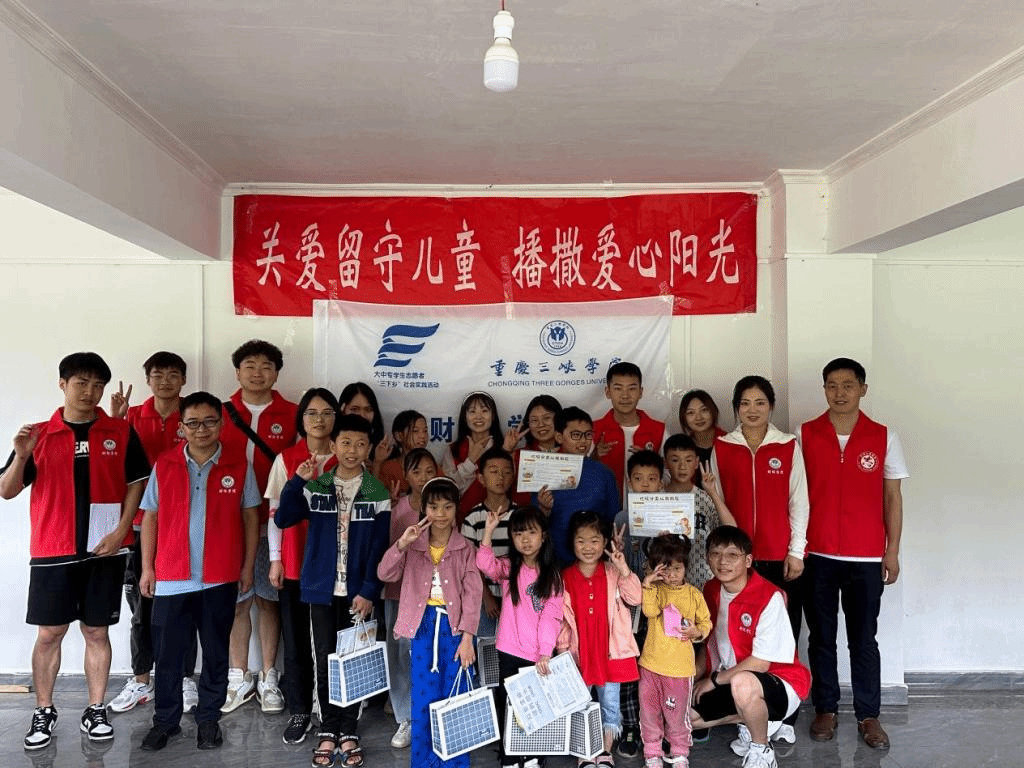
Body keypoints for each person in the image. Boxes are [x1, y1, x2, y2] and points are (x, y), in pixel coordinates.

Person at [1, 352, 150, 750]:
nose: (90, 391)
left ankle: (96, 708)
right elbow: (6, 490)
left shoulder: (120, 431)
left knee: (97, 631)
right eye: (81, 383)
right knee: (49, 633)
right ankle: (43, 710)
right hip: (53, 551)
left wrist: (122, 530)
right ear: (62, 384)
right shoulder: (39, 434)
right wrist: (21, 454)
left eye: (97, 385)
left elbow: (137, 481)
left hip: (105, 551)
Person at [137, 391, 260, 751]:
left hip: (220, 576)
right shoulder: (165, 464)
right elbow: (150, 517)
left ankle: (209, 720)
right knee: (168, 656)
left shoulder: (238, 465)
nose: (201, 429)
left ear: (220, 424)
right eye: (193, 422)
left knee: (216, 653)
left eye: (209, 421)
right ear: (181, 427)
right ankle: (165, 722)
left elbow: (250, 517)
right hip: (171, 576)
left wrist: (247, 566)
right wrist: (147, 568)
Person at [799, 358, 909, 749]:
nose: (840, 393)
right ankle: (825, 709)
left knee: (864, 640)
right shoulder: (805, 434)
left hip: (865, 557)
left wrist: (891, 551)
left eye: (848, 385)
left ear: (863, 389)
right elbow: (794, 495)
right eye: (832, 385)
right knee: (821, 638)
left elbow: (892, 497)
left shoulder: (884, 436)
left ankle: (869, 715)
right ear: (824, 390)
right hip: (818, 554)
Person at [276, 413, 392, 768]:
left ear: (369, 448)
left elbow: (379, 547)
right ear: (333, 445)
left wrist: (369, 590)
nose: (352, 450)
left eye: (360, 444)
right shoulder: (317, 486)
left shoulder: (377, 491)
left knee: (353, 663)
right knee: (326, 660)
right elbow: (283, 518)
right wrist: (298, 480)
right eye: (345, 443)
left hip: (359, 594)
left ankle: (349, 730)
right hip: (322, 592)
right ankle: (328, 728)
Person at [107, 351, 199, 715]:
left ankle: (184, 678)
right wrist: (116, 421)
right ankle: (141, 679)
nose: (165, 381)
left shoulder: (193, 417)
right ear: (148, 380)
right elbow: (111, 462)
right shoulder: (131, 416)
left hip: (182, 525)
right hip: (137, 523)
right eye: (158, 375)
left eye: (173, 374)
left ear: (183, 380)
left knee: (185, 606)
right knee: (141, 608)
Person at [377, 477, 482, 768]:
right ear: (423, 508)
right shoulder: (413, 544)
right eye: (434, 507)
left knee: (455, 697)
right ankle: (424, 763)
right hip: (422, 628)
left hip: (455, 629)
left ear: (456, 508)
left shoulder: (465, 548)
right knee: (423, 697)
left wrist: (467, 639)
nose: (441, 513)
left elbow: (473, 596)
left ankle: (455, 764)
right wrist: (401, 544)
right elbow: (385, 574)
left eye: (448, 506)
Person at [219, 339, 298, 715]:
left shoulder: (293, 414)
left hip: (272, 523)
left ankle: (269, 677)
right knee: (237, 602)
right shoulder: (219, 413)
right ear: (237, 372)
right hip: (228, 522)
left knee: (269, 601)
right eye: (249, 365)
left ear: (276, 374)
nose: (257, 372)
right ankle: (238, 677)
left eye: (267, 366)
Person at [690, 526, 811, 768]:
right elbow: (708, 642)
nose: (723, 562)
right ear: (707, 557)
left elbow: (760, 663)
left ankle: (761, 749)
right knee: (688, 717)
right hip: (732, 679)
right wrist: (690, 678)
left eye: (732, 555)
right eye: (715, 554)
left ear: (747, 561)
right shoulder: (710, 590)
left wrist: (713, 681)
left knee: (743, 683)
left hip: (779, 682)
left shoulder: (769, 597)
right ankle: (755, 718)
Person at [265, 388, 340, 745]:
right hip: (295, 562)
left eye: (327, 413)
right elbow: (274, 514)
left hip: (334, 567)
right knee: (295, 642)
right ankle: (299, 709)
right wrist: (275, 559)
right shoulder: (287, 458)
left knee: (330, 644)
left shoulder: (347, 456)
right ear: (301, 419)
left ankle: (330, 712)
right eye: (312, 413)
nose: (319, 420)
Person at [710, 376, 808, 641]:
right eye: (745, 403)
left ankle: (782, 671)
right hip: (737, 557)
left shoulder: (788, 445)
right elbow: (718, 501)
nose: (752, 410)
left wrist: (796, 551)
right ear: (736, 407)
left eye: (760, 403)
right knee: (741, 629)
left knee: (784, 628)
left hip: (780, 556)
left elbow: (799, 502)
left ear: (771, 406)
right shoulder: (723, 446)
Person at [476, 505, 564, 768]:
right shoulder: (509, 567)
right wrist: (488, 532)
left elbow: (552, 617)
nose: (525, 539)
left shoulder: (552, 575)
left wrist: (546, 652)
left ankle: (533, 755)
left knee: (536, 706)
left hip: (538, 655)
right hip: (509, 649)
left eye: (531, 532)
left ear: (544, 536)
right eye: (518, 533)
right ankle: (510, 757)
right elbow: (485, 565)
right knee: (510, 704)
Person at [557, 510, 642, 764]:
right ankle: (584, 751)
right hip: (580, 653)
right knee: (579, 703)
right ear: (572, 543)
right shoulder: (565, 576)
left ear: (605, 542)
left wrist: (623, 566)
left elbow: (635, 597)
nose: (588, 547)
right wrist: (563, 651)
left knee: (610, 704)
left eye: (594, 540)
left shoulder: (613, 571)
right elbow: (562, 621)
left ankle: (605, 751)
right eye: (581, 540)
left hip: (610, 652)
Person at [381, 447, 438, 750]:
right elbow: (386, 555)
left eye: (429, 471)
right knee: (400, 656)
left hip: (433, 597)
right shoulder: (396, 509)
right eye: (417, 471)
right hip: (398, 594)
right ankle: (406, 717)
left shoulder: (442, 509)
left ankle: (429, 718)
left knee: (429, 656)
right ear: (406, 475)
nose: (424, 477)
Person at [638, 535, 712, 768]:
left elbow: (706, 623)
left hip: (679, 669)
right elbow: (649, 611)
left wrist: (696, 632)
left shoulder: (694, 594)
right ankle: (652, 752)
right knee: (649, 712)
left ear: (685, 567)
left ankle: (679, 752)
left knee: (676, 714)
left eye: (677, 569)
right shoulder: (656, 590)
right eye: (666, 569)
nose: (671, 575)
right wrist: (648, 583)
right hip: (651, 665)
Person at [614, 449, 665, 759]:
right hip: (631, 610)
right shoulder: (622, 518)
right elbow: (619, 565)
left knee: (660, 668)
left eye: (652, 479)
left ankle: (661, 727)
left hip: (663, 607)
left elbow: (679, 562)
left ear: (661, 482)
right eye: (638, 478)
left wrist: (666, 542)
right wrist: (619, 550)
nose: (645, 484)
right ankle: (631, 726)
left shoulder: (672, 514)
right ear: (629, 482)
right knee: (631, 667)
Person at [534, 407, 619, 566]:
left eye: (588, 435)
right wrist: (544, 510)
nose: (583, 441)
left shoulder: (604, 473)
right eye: (575, 435)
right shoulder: (544, 470)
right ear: (559, 436)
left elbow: (613, 519)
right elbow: (533, 523)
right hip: (554, 559)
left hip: (593, 560)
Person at [662, 434, 735, 589]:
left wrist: (712, 492)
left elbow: (731, 530)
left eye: (688, 460)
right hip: (666, 583)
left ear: (696, 462)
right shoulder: (657, 498)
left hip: (702, 581)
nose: (682, 466)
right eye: (675, 460)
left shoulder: (705, 498)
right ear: (666, 463)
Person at [460, 447, 517, 638]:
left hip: (517, 598)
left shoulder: (520, 516)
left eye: (507, 472)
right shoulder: (473, 518)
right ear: (481, 478)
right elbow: (469, 564)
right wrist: (486, 597)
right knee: (486, 648)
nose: (501, 477)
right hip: (485, 600)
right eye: (493, 471)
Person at [593, 362, 668, 500]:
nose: (625, 396)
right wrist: (595, 455)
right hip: (604, 509)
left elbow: (672, 473)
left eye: (632, 388)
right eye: (618, 388)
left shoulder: (659, 430)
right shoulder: (594, 430)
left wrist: (650, 460)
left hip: (648, 509)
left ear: (641, 392)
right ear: (608, 392)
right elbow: (579, 474)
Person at [441, 391, 517, 519]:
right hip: (463, 518)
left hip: (501, 516)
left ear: (493, 416)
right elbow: (447, 491)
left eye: (484, 411)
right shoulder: (453, 450)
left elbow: (511, 485)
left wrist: (506, 452)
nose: (478, 417)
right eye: (472, 412)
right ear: (464, 417)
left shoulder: (504, 447)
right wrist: (470, 461)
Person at [511, 395, 562, 506]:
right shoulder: (517, 456)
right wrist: (507, 449)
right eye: (534, 420)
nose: (541, 425)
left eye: (546, 418)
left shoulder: (571, 452)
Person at [338, 382, 389, 476]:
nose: (362, 415)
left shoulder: (383, 450)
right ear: (343, 409)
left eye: (368, 409)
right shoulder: (332, 442)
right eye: (354, 409)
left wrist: (376, 465)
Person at [677, 390, 726, 487]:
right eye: (691, 413)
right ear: (684, 418)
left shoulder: (729, 443)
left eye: (704, 410)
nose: (698, 418)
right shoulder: (681, 448)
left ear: (713, 411)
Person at [375, 409, 428, 494]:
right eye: (415, 431)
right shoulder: (389, 468)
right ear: (399, 436)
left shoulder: (433, 467)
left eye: (425, 431)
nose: (423, 436)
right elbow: (375, 495)